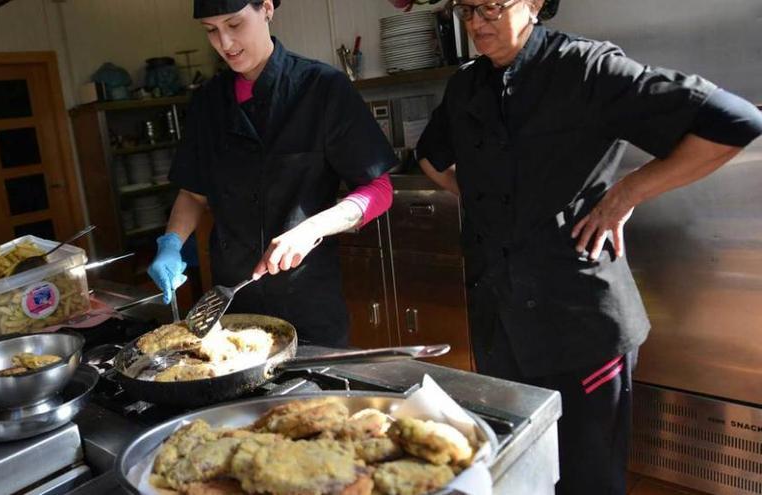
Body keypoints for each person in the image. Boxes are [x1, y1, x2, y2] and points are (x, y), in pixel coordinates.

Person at [416, 0, 762, 493]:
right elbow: (430, 155)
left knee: (589, 479)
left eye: (492, 6)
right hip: (501, 321)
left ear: (534, 4)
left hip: (580, 322)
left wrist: (627, 192)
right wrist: (482, 201)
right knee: (519, 469)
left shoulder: (586, 66)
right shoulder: (466, 84)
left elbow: (735, 121)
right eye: (467, 8)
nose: (476, 22)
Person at [148, 0, 396, 347]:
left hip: (307, 302)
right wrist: (171, 243)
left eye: (234, 25)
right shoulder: (207, 104)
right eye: (211, 31)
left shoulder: (322, 88)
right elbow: (193, 193)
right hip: (233, 304)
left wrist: (311, 229)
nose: (225, 43)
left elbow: (379, 189)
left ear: (266, 7)